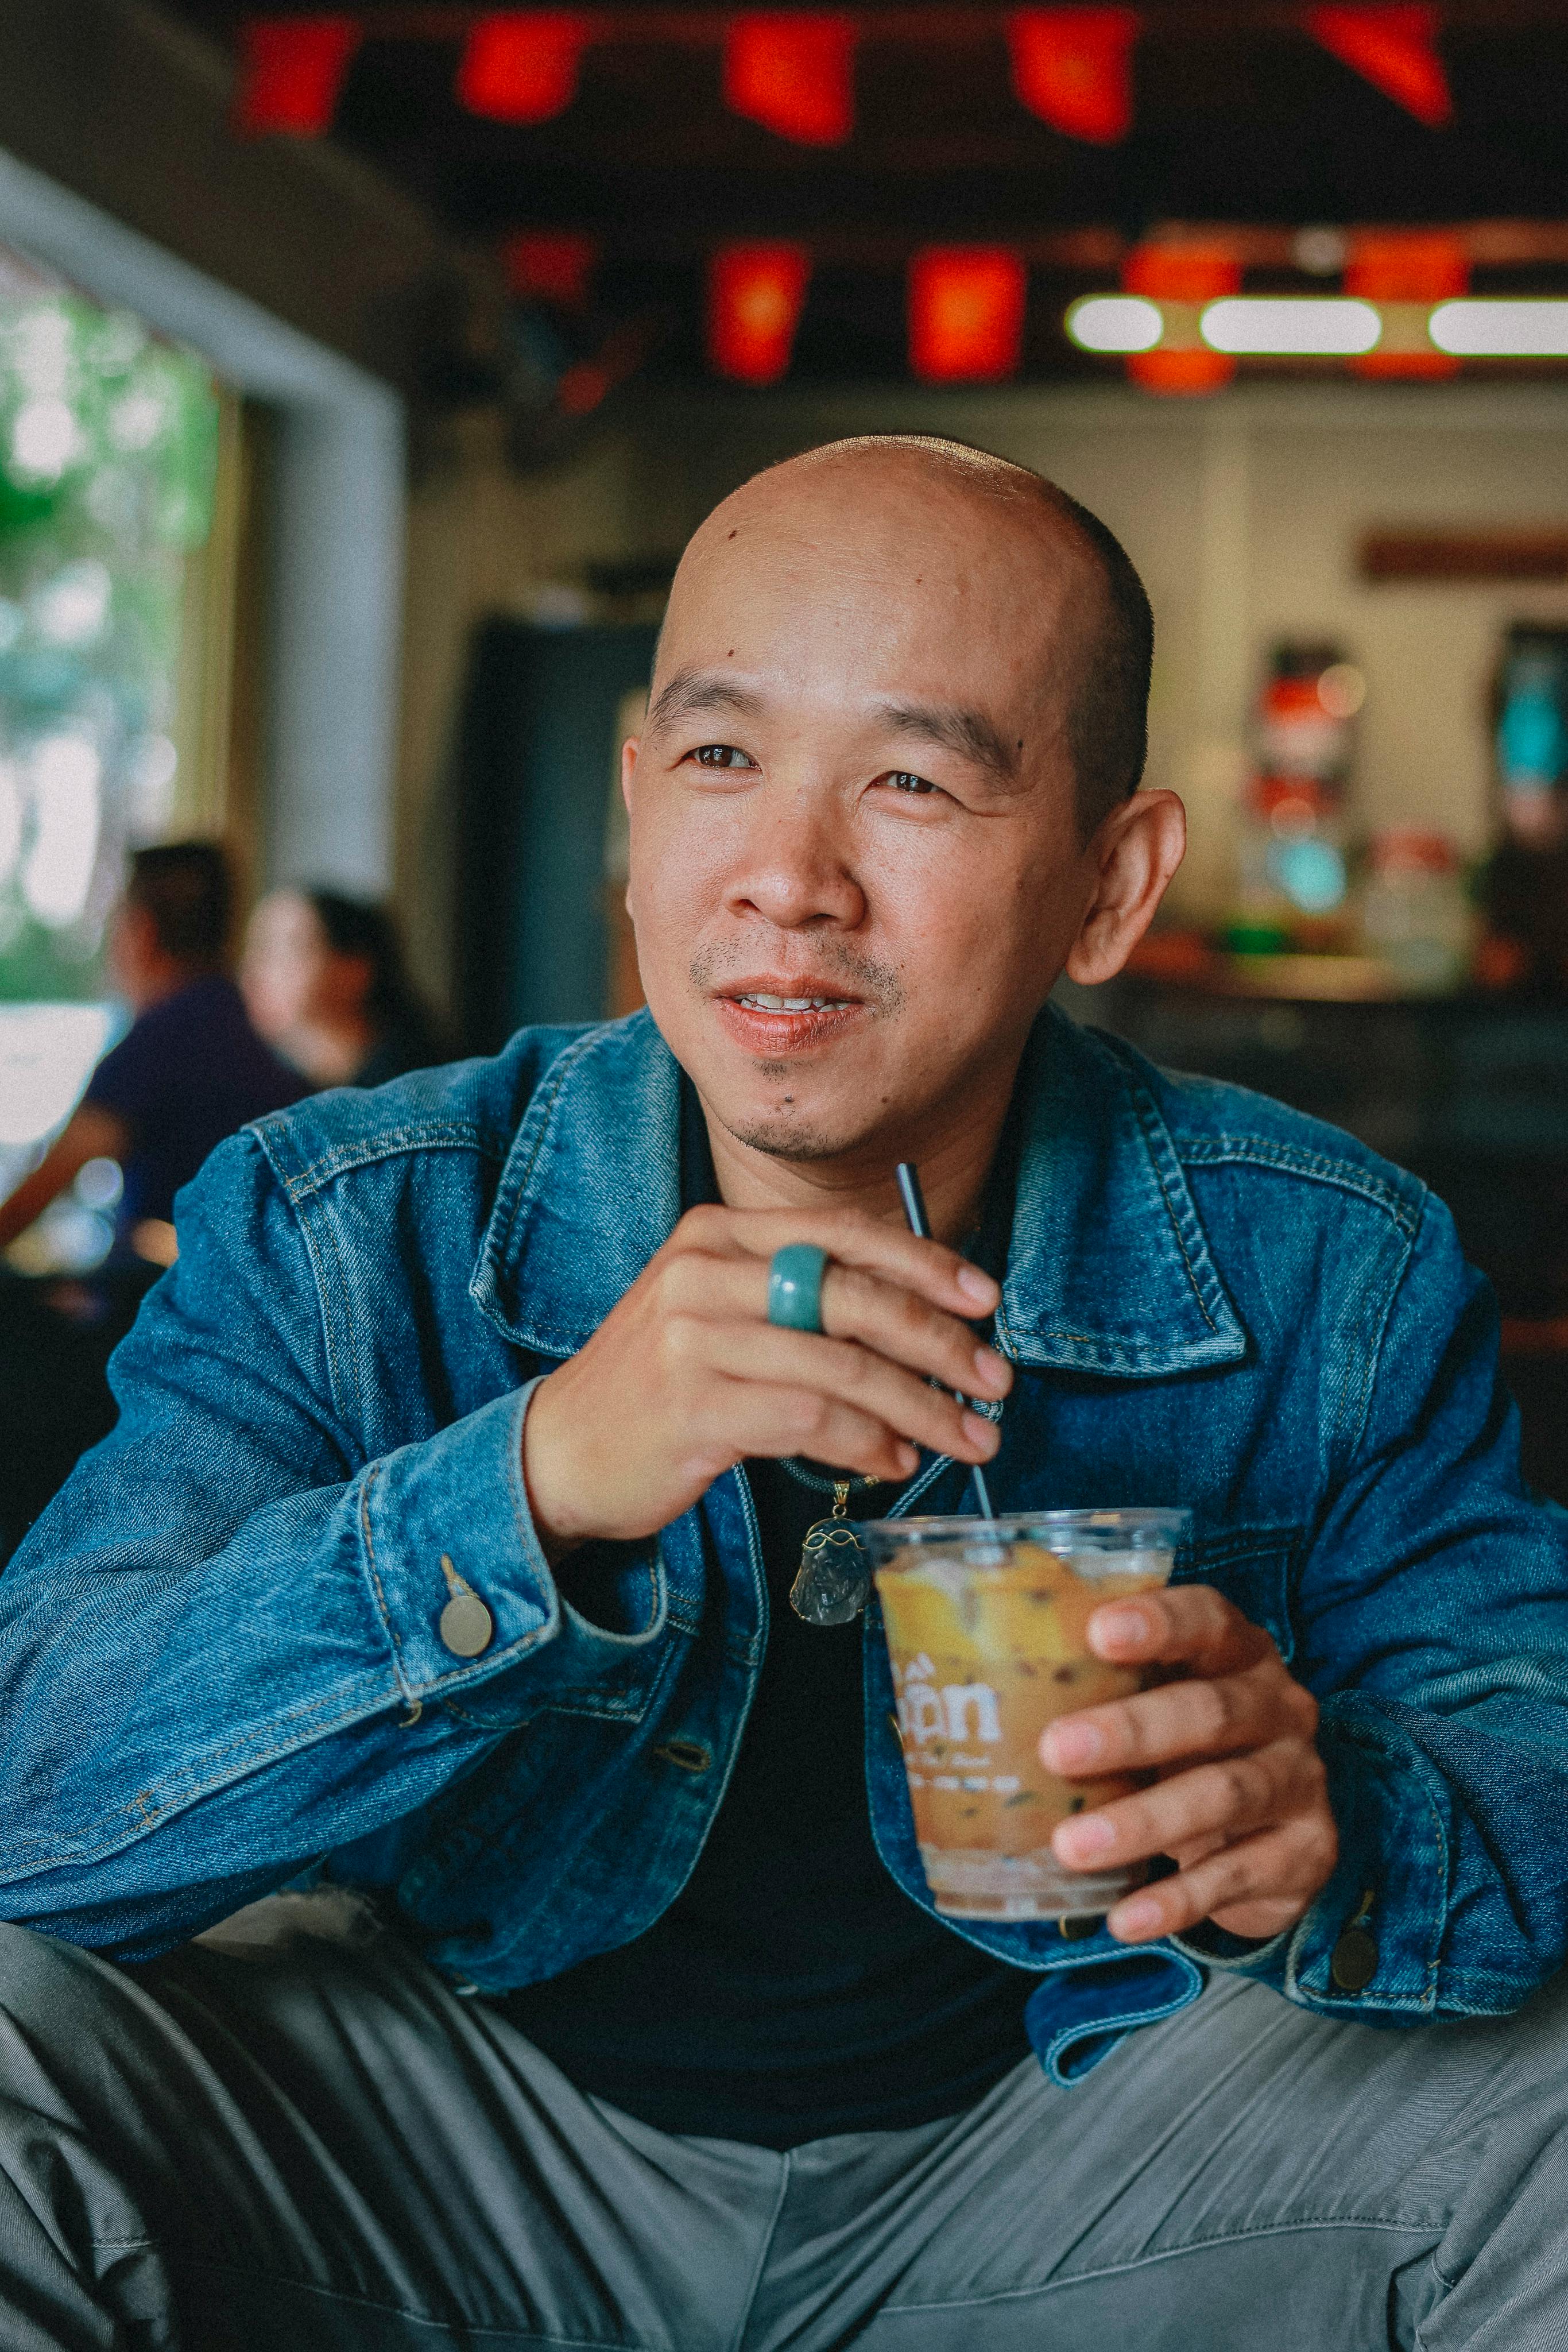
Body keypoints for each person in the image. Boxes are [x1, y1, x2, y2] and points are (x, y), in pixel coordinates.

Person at [1, 438, 1567, 2351]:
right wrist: (538, 1481)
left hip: (1068, 2175)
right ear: (637, 803)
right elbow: (39, 1795)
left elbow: (1526, 1737)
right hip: (448, 2162)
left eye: (911, 778)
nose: (786, 879)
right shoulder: (347, 1222)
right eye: (723, 758)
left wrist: (1328, 1810)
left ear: (1108, 880)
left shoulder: (1335, 1266)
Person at [0, 840, 305, 1263]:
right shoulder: (246, 1025)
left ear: (140, 932)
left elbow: (27, 1202)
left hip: (182, 1307)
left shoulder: (160, 1043)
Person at [239, 885, 448, 1090]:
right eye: (254, 947)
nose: (255, 969)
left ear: (355, 971)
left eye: (286, 949)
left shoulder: (418, 1089)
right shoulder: (245, 1077)